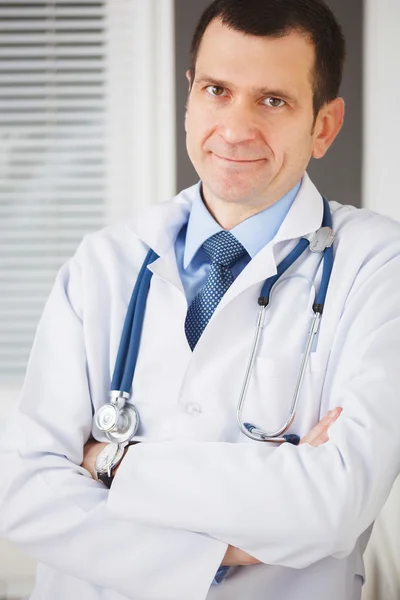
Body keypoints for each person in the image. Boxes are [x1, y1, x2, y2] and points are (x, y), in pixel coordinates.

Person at [1, 0, 400, 599]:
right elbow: (28, 493)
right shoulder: (104, 264)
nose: (236, 129)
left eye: (273, 100)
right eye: (217, 90)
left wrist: (111, 465)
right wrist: (233, 542)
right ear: (189, 96)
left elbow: (333, 505)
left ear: (324, 126)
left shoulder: (377, 266)